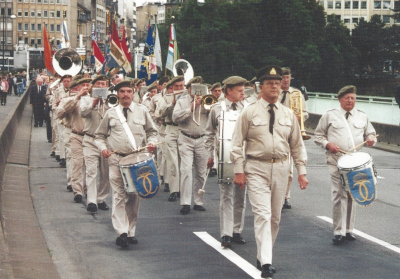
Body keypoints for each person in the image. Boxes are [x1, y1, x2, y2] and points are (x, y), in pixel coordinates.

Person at [231, 65, 308, 278]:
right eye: (269, 83)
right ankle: (266, 261)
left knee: (275, 217)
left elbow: (297, 145)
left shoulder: (288, 114)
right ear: (260, 87)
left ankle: (263, 253)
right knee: (262, 214)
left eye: (276, 83)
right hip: (256, 167)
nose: (274, 86)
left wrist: (301, 171)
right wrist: (239, 170)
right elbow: (237, 144)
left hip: (282, 167)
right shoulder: (249, 112)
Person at [95, 80, 158, 248]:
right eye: (122, 91)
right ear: (117, 94)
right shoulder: (111, 113)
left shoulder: (142, 111)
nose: (126, 94)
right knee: (119, 196)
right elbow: (99, 136)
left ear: (133, 93)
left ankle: (131, 231)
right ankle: (121, 232)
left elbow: (152, 132)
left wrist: (152, 143)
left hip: (137, 160)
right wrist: (103, 149)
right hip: (116, 160)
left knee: (134, 197)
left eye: (129, 91)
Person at [314, 85, 376, 245]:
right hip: (336, 160)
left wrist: (371, 140)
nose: (350, 101)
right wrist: (328, 145)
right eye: (347, 98)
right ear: (340, 99)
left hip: (355, 162)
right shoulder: (330, 115)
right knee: (339, 193)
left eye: (353, 98)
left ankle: (349, 230)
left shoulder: (362, 116)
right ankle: (338, 231)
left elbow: (371, 133)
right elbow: (318, 135)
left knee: (352, 194)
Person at [205, 76, 247, 248]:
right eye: (240, 90)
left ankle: (237, 230)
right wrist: (210, 156)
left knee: (241, 195)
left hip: (243, 157)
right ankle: (226, 234)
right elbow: (208, 133)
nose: (243, 93)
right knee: (226, 196)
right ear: (229, 91)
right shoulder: (216, 109)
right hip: (223, 157)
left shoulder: (248, 108)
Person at [172, 76, 209, 215]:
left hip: (202, 139)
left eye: (200, 88)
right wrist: (191, 108)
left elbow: (215, 117)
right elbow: (175, 118)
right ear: (188, 89)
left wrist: (207, 106)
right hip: (186, 138)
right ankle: (186, 202)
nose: (197, 91)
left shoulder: (207, 99)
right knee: (186, 170)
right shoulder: (182, 101)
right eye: (194, 88)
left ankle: (198, 201)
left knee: (201, 172)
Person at [56, 78, 91, 203]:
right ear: (77, 87)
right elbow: (59, 113)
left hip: (92, 137)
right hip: (75, 133)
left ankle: (88, 189)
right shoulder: (70, 99)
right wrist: (77, 97)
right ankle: (77, 190)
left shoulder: (96, 99)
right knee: (77, 162)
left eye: (88, 85)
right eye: (83, 85)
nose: (86, 87)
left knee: (90, 166)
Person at [279, 67, 309, 210]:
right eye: (283, 78)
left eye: (287, 77)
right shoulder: (274, 94)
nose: (285, 80)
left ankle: (285, 197)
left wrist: (300, 117)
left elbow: (305, 113)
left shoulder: (297, 94)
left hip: (292, 134)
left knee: (289, 169)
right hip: (278, 133)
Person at [157, 76, 185, 202]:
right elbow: (160, 113)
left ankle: (183, 189)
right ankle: (174, 190)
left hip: (184, 130)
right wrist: (171, 103)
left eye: (181, 86)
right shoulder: (166, 98)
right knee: (172, 161)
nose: (179, 89)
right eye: (176, 86)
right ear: (172, 88)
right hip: (170, 129)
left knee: (184, 163)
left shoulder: (188, 97)